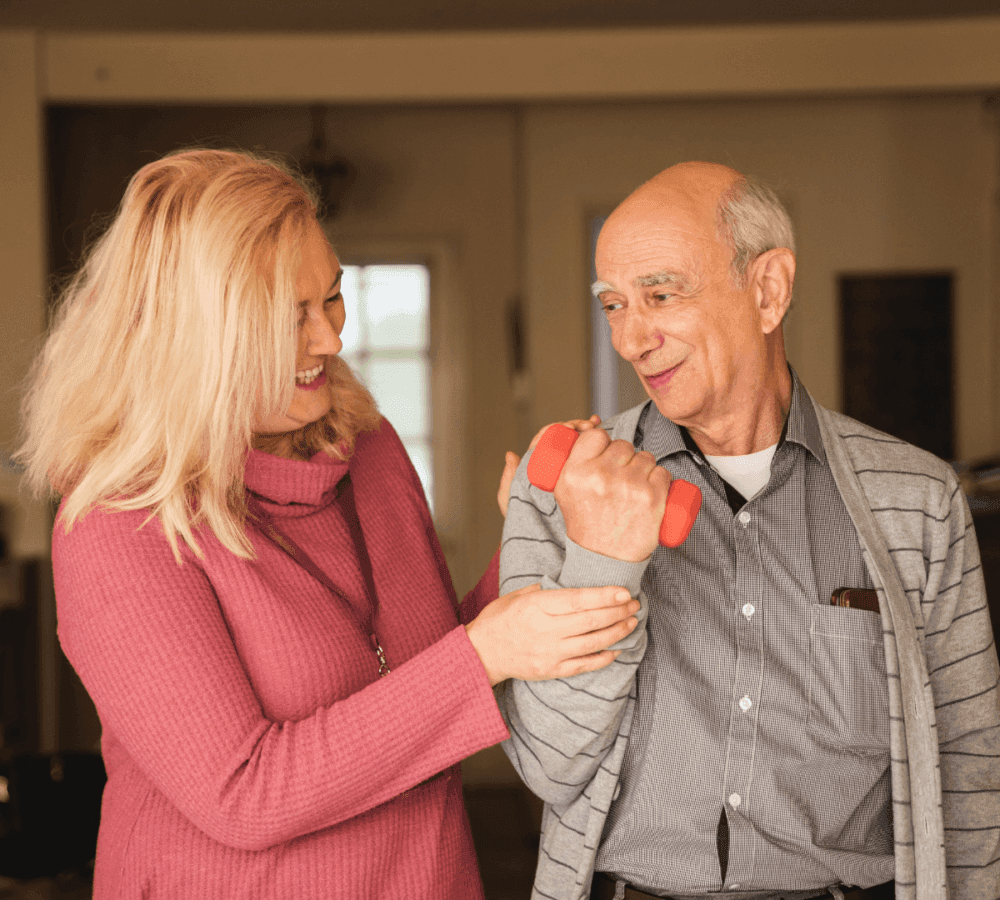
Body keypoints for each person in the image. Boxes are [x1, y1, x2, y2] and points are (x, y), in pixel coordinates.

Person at [14, 148, 643, 899]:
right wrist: (486, 652)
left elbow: (426, 669)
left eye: (333, 299)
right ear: (195, 340)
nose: (329, 340)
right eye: (290, 318)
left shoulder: (369, 448)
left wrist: (539, 535)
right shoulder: (122, 525)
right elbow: (243, 793)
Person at [497, 162, 1000, 900]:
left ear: (768, 290)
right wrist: (601, 557)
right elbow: (548, 763)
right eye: (613, 304)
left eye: (661, 295)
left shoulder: (917, 500)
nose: (631, 338)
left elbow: (970, 763)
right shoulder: (556, 496)